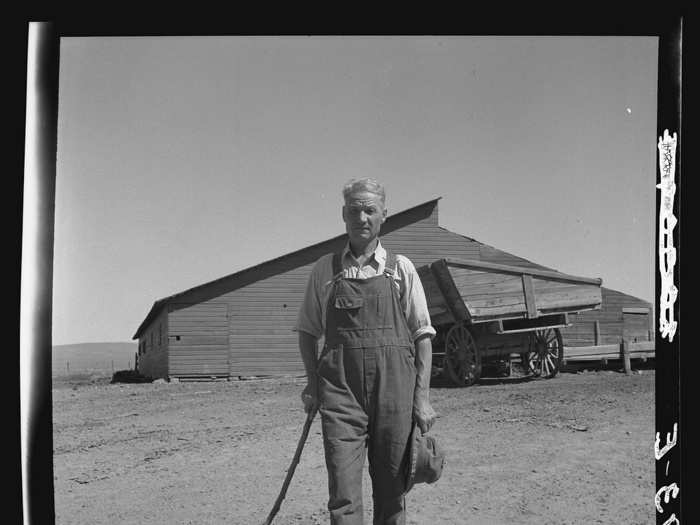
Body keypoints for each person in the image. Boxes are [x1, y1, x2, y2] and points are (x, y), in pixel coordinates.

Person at [294, 178, 437, 525]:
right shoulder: (325, 270)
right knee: (342, 493)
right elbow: (307, 331)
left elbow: (423, 338)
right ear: (343, 214)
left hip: (394, 394)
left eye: (370, 210)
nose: (362, 217)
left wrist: (422, 398)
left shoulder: (401, 270)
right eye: (354, 210)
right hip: (341, 395)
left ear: (383, 215)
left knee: (392, 490)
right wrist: (313, 384)